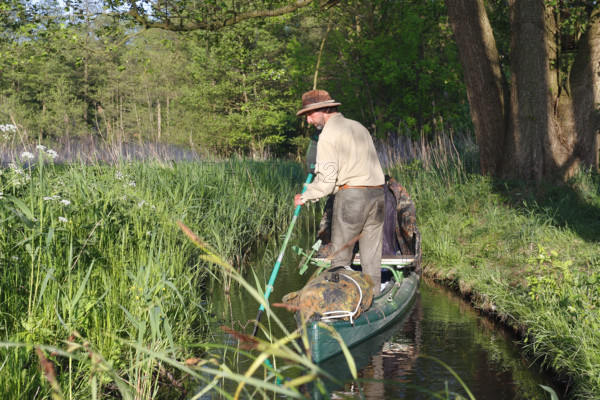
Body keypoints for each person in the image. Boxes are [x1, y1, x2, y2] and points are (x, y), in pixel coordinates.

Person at [294, 89, 386, 295]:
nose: (308, 120)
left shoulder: (328, 135)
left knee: (340, 259)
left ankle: (341, 304)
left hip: (352, 198)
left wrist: (305, 196)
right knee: (372, 257)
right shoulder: (358, 127)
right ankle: (374, 298)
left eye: (310, 114)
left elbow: (326, 183)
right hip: (379, 196)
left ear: (325, 110)